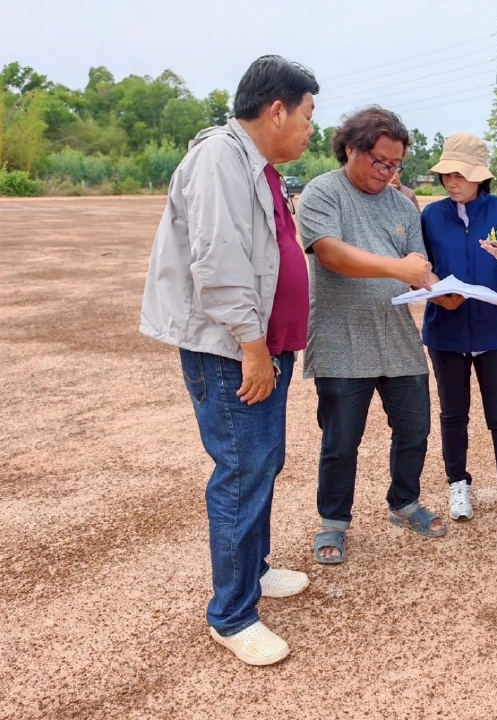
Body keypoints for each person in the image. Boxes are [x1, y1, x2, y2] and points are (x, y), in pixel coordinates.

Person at [140, 56, 319, 666]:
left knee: (263, 462)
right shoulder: (220, 158)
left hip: (264, 345)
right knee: (242, 470)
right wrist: (253, 345)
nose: (310, 129)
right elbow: (217, 264)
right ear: (277, 110)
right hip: (232, 350)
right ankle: (232, 614)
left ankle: (255, 568)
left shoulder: (258, 166)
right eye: (307, 115)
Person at [296, 106, 446, 566]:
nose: (388, 172)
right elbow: (332, 255)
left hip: (398, 339)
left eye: (396, 164)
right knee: (341, 440)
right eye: (380, 161)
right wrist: (398, 268)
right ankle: (334, 521)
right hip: (342, 341)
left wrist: (445, 291)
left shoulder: (403, 204)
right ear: (350, 149)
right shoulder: (323, 193)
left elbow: (418, 267)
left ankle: (404, 503)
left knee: (415, 430)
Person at [419, 133, 497, 536]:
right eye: (446, 175)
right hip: (447, 333)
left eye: (460, 175)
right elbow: (422, 268)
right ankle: (458, 485)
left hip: (495, 334)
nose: (451, 182)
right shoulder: (431, 217)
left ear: (480, 177)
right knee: (453, 415)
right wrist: (436, 293)